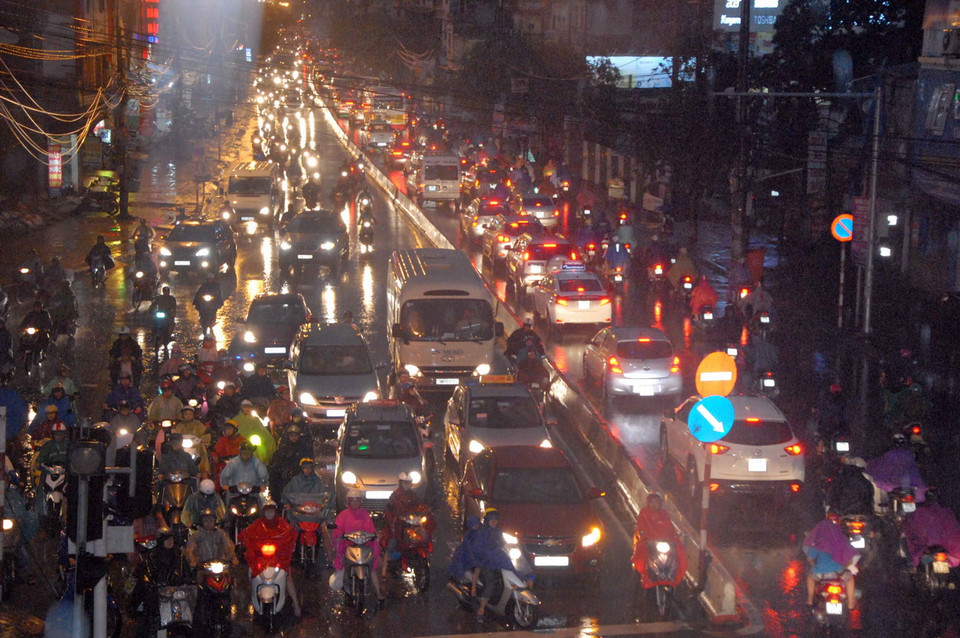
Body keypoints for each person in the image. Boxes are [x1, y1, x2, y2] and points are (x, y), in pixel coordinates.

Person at [238, 500, 302, 617]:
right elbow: (247, 534)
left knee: (288, 577)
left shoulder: (282, 524)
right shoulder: (257, 524)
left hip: (278, 558)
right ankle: (251, 596)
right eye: (267, 510)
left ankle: (296, 604)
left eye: (271, 510)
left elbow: (289, 534)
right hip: (261, 558)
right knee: (251, 574)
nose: (269, 513)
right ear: (263, 511)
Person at [332, 489, 384, 604]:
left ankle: (378, 592)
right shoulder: (343, 515)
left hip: (365, 545)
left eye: (357, 500)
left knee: (372, 570)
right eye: (352, 500)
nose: (355, 503)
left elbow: (371, 528)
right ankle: (345, 587)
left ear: (361, 502)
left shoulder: (365, 514)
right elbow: (338, 528)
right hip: (348, 546)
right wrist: (340, 535)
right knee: (344, 566)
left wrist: (374, 535)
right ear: (348, 502)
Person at [128, 529, 188, 623]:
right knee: (150, 619)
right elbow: (146, 577)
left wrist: (185, 584)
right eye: (167, 539)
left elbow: (185, 573)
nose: (170, 542)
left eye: (171, 539)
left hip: (177, 594)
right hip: (157, 595)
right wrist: (157, 588)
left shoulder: (178, 555)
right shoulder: (152, 557)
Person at [803, 513, 860, 610]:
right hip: (838, 573)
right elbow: (849, 559)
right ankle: (851, 604)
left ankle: (809, 600)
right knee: (850, 578)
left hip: (820, 573)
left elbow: (810, 559)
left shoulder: (818, 541)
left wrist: (814, 564)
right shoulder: (841, 539)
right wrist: (845, 566)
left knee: (810, 577)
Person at [381, 472, 434, 577]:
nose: (407, 485)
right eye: (405, 483)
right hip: (397, 527)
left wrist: (426, 512)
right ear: (401, 483)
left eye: (408, 483)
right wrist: (393, 521)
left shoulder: (412, 495)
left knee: (423, 535)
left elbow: (420, 505)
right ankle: (384, 569)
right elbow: (388, 511)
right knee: (392, 544)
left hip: (410, 524)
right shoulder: (395, 496)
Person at [282, 458, 334, 563]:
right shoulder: (295, 481)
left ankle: (330, 557)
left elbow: (323, 495)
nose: (307, 470)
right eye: (305, 468)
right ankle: (286, 555)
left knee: (324, 530)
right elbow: (286, 494)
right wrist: (287, 503)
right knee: (290, 531)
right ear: (302, 469)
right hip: (299, 513)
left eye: (309, 468)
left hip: (314, 513)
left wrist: (324, 503)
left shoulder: (318, 481)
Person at [631, 493, 687, 588]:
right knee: (641, 557)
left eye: (657, 502)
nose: (654, 505)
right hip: (647, 542)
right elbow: (642, 526)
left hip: (661, 543)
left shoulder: (664, 514)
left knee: (677, 554)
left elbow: (669, 527)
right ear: (648, 503)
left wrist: (674, 537)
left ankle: (672, 578)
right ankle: (642, 578)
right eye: (652, 502)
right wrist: (644, 535)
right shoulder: (644, 513)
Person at [471, 508, 518, 617]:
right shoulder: (481, 532)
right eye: (492, 520)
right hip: (485, 561)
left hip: (496, 559)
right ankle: (481, 609)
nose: (494, 522)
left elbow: (503, 543)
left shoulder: (498, 531)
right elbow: (477, 548)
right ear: (487, 520)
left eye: (495, 520)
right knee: (490, 581)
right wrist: (486, 555)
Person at [901, 489, 960, 569]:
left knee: (905, 541)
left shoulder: (920, 512)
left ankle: (911, 566)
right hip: (952, 549)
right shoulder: (947, 512)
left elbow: (909, 527)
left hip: (932, 547)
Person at [865, 435, 927, 505]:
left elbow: (877, 467)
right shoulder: (910, 456)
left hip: (894, 485)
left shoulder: (889, 456)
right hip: (911, 486)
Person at [269, 425, 313, 496]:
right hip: (285, 479)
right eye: (291, 435)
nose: (294, 437)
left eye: (296, 435)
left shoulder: (303, 448)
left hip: (300, 477)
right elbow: (277, 464)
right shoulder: (283, 449)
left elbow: (308, 462)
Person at [233, 399, 276, 465]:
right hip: (242, 442)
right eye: (244, 407)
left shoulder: (255, 419)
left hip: (255, 441)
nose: (247, 409)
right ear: (241, 408)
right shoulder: (236, 419)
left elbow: (262, 431)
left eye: (248, 407)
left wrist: (267, 438)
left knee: (259, 449)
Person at [212, 421, 246, 488]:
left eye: (229, 429)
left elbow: (247, 452)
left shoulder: (242, 440)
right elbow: (216, 451)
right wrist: (214, 456)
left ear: (235, 430)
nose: (227, 431)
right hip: (224, 465)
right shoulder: (222, 440)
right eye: (226, 429)